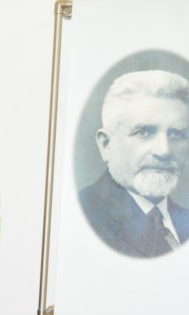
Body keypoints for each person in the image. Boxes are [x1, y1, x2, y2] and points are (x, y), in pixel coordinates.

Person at [78, 69, 189, 257]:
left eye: (176, 134)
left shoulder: (185, 219)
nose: (164, 150)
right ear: (106, 145)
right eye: (143, 132)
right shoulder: (81, 216)